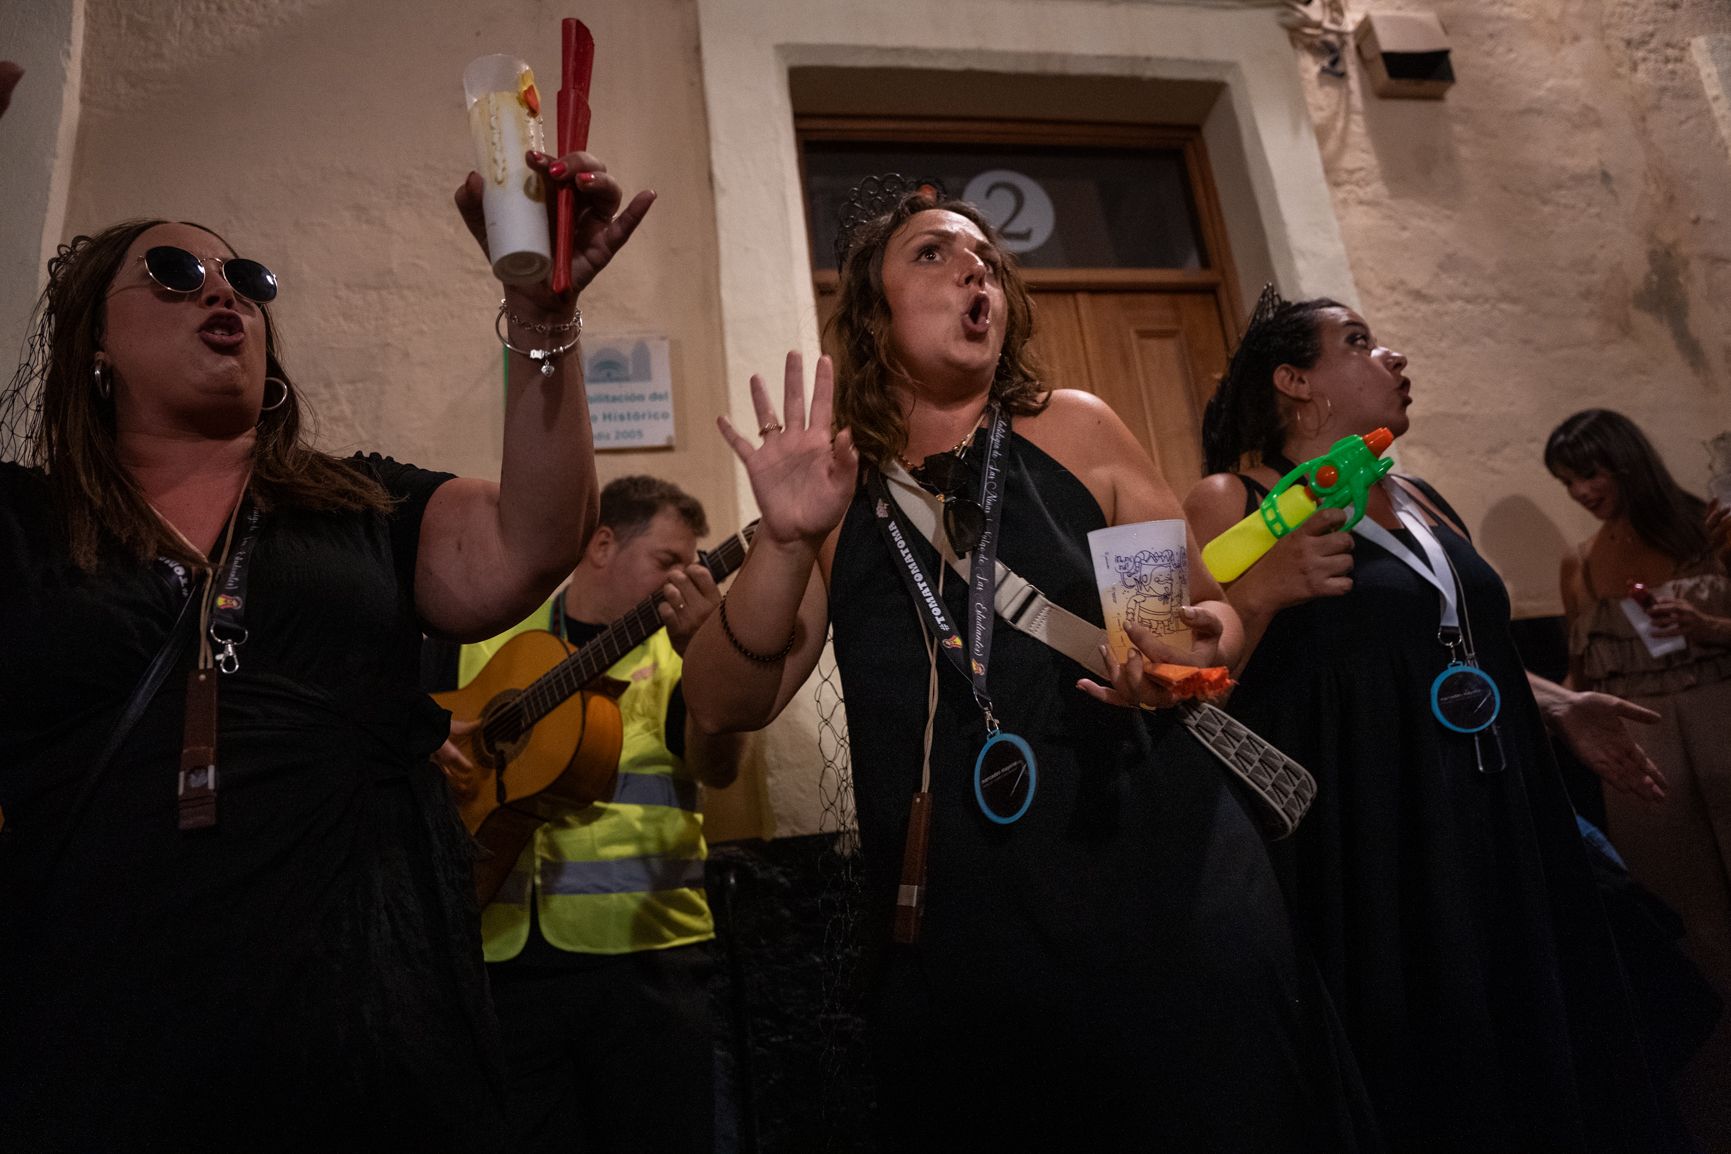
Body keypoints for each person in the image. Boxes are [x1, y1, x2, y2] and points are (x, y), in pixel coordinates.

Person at [681, 182, 1380, 1150]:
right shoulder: (836, 489)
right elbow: (724, 700)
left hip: (1160, 861)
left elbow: (1173, 615)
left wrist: (1194, 645)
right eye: (933, 253)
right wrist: (790, 541)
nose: (977, 270)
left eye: (989, 261)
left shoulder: (1075, 427)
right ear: (875, 317)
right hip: (966, 911)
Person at [0, 150, 653, 1152]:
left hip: (371, 1046)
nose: (223, 292)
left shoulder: (360, 507)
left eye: (248, 281)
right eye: (175, 274)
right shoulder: (30, 525)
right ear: (94, 342)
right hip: (103, 1049)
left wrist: (543, 323)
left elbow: (534, 540)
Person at [1183, 287, 1690, 1153]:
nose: (1392, 357)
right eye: (1358, 341)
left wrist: (1562, 705)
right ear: (1294, 382)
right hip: (1372, 828)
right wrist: (1263, 589)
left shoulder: (1418, 496)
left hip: (1494, 804)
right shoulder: (1228, 500)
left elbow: (1455, 645)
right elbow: (1194, 681)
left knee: (1537, 1029)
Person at [426, 474, 742, 1153]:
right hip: (501, 962)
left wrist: (708, 654)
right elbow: (409, 729)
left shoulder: (681, 654)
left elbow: (718, 767)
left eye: (693, 565)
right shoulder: (490, 635)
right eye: (668, 562)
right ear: (601, 543)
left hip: (645, 967)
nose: (684, 580)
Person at [1548, 408, 1731, 1150]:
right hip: (1640, 746)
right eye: (1565, 482)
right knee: (1688, 925)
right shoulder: (1579, 560)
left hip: (1721, 709)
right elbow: (1579, 674)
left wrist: (1716, 628)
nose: (1581, 492)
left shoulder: (1708, 529)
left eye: (1589, 472)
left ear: (1625, 462)